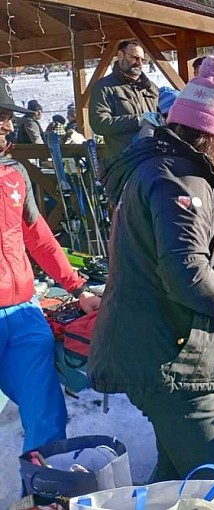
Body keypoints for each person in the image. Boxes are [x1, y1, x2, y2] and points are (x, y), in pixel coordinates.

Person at [88, 56, 214, 504]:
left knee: (176, 482)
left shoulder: (165, 167)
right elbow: (188, 273)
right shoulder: (178, 180)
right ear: (212, 135)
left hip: (166, 349)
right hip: (174, 361)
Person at [0, 77, 100, 456]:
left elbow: (39, 237)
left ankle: (44, 495)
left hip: (24, 316)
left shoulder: (14, 172)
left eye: (10, 117)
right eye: (2, 117)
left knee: (46, 415)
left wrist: (78, 290)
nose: (9, 125)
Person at [89, 40, 159, 160]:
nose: (139, 63)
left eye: (142, 60)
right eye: (135, 58)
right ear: (120, 55)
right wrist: (137, 120)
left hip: (153, 155)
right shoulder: (104, 87)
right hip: (123, 161)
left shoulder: (150, 87)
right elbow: (99, 124)